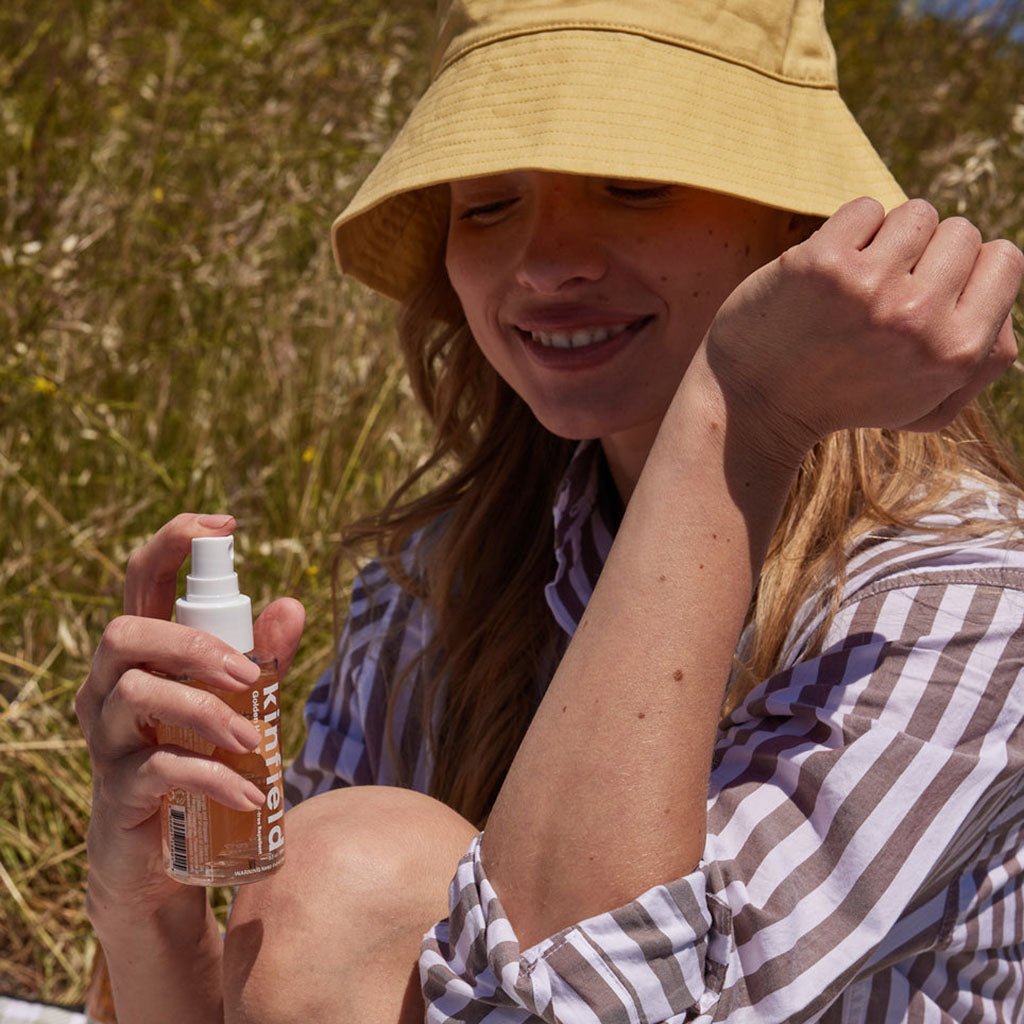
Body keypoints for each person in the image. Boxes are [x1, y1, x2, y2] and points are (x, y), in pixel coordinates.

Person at [74, 1, 1024, 1021]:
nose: (542, 262)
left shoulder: (959, 601)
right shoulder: (437, 585)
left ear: (793, 226)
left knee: (351, 872)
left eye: (633, 186)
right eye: (485, 206)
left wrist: (733, 411)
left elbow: (583, 996)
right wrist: (151, 914)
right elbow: (297, 990)